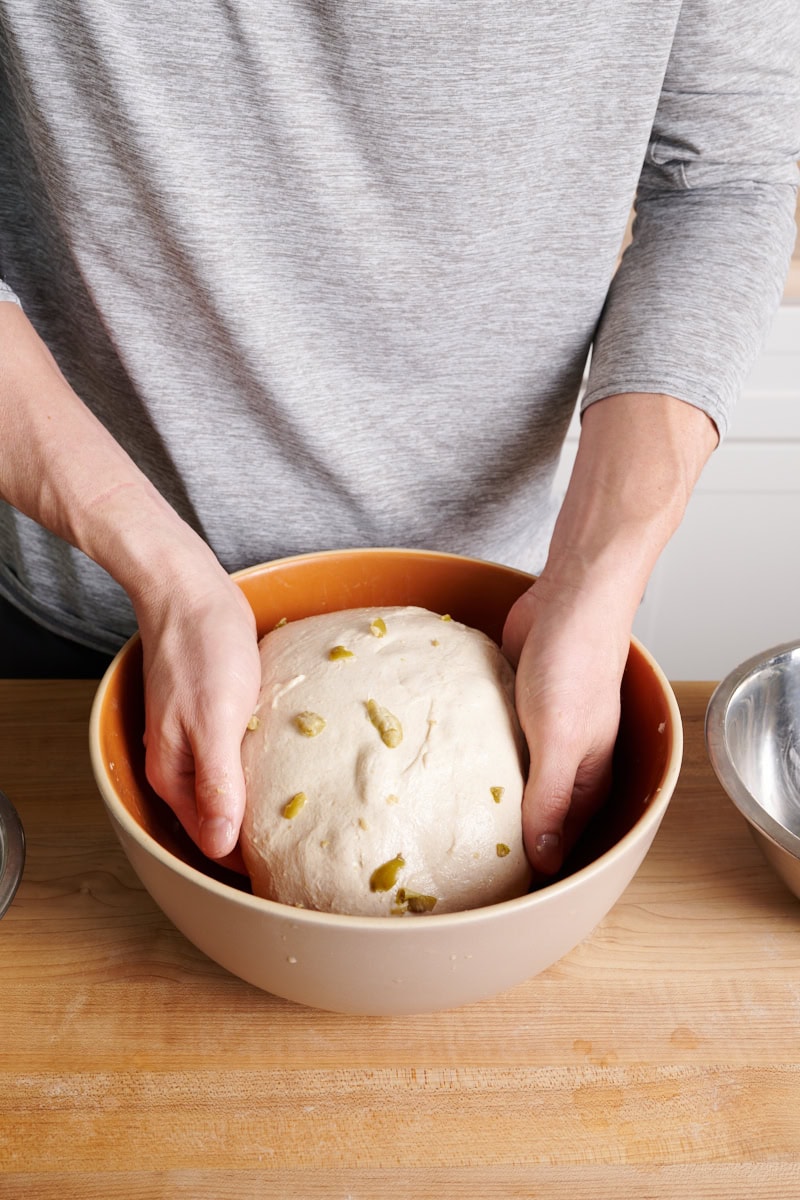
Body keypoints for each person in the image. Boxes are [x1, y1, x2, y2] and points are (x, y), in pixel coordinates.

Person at [1, 3, 798, 879]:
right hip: (84, 623)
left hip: (515, 636)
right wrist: (159, 569)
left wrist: (592, 575)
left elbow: (720, 181)